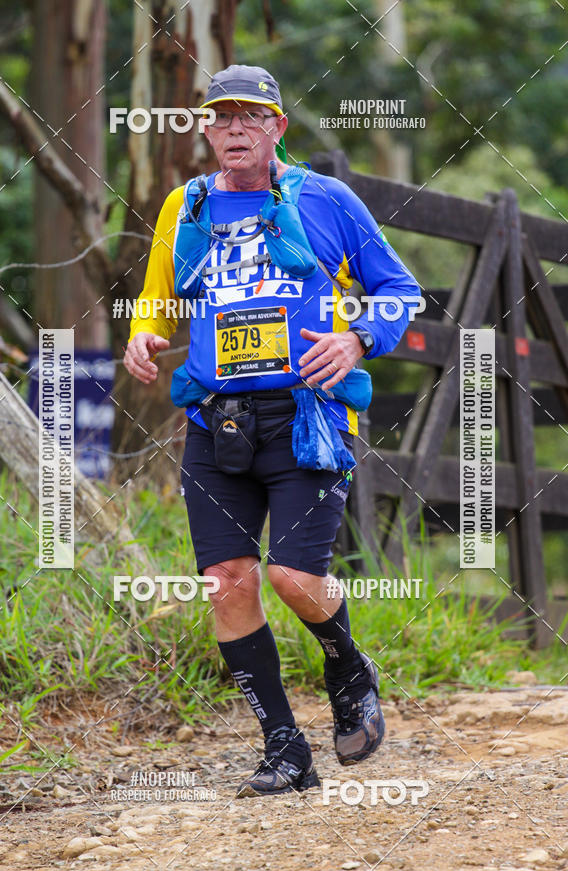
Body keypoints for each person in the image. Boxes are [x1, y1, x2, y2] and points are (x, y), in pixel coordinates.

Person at [124, 64, 421, 798]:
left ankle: (348, 664)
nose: (233, 130)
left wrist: (355, 339)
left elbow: (400, 291)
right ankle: (285, 748)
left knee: (291, 575)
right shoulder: (184, 206)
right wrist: (141, 337)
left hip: (309, 418)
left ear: (277, 127)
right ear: (204, 129)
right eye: (220, 118)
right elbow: (158, 301)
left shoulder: (326, 199)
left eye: (249, 117)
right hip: (215, 423)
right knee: (228, 583)